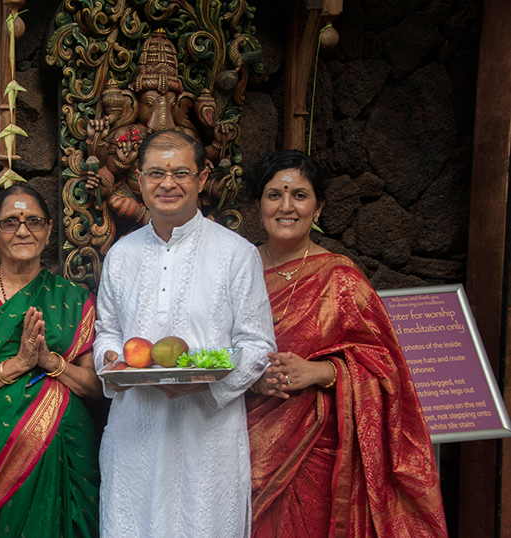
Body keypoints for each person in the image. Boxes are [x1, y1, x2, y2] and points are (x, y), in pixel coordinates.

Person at [246, 150, 448, 537]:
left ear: (318, 209)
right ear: (259, 205)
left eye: (300, 195)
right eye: (274, 195)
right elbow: (209, 350)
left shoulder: (341, 278)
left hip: (315, 450)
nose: (286, 206)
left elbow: (386, 368)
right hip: (241, 438)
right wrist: (253, 378)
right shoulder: (236, 270)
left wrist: (320, 372)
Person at [93, 130, 276, 537]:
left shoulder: (235, 253)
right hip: (135, 431)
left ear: (202, 177)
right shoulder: (121, 254)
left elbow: (258, 344)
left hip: (207, 433)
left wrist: (207, 387)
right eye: (156, 173)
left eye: (180, 172)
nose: (168, 183)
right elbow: (106, 330)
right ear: (139, 180)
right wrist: (109, 359)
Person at [0, 185, 102, 538]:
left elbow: (95, 387)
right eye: (10, 222)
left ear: (48, 230)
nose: (23, 230)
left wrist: (49, 361)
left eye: (34, 221)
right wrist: (18, 364)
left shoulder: (73, 298)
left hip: (65, 455)